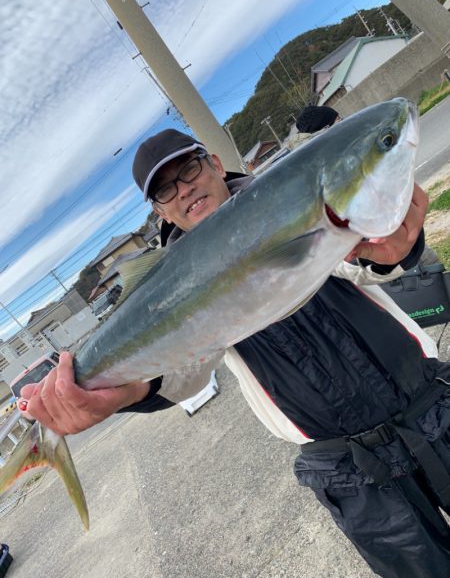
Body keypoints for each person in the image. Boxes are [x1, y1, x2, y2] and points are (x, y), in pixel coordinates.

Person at [19, 129, 450, 578]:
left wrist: (388, 251)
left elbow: (361, 265)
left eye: (187, 168)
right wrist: (126, 392)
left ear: (214, 163)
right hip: (348, 469)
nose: (183, 188)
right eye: (165, 188)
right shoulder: (167, 286)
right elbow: (188, 371)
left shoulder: (293, 195)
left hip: (432, 404)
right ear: (158, 210)